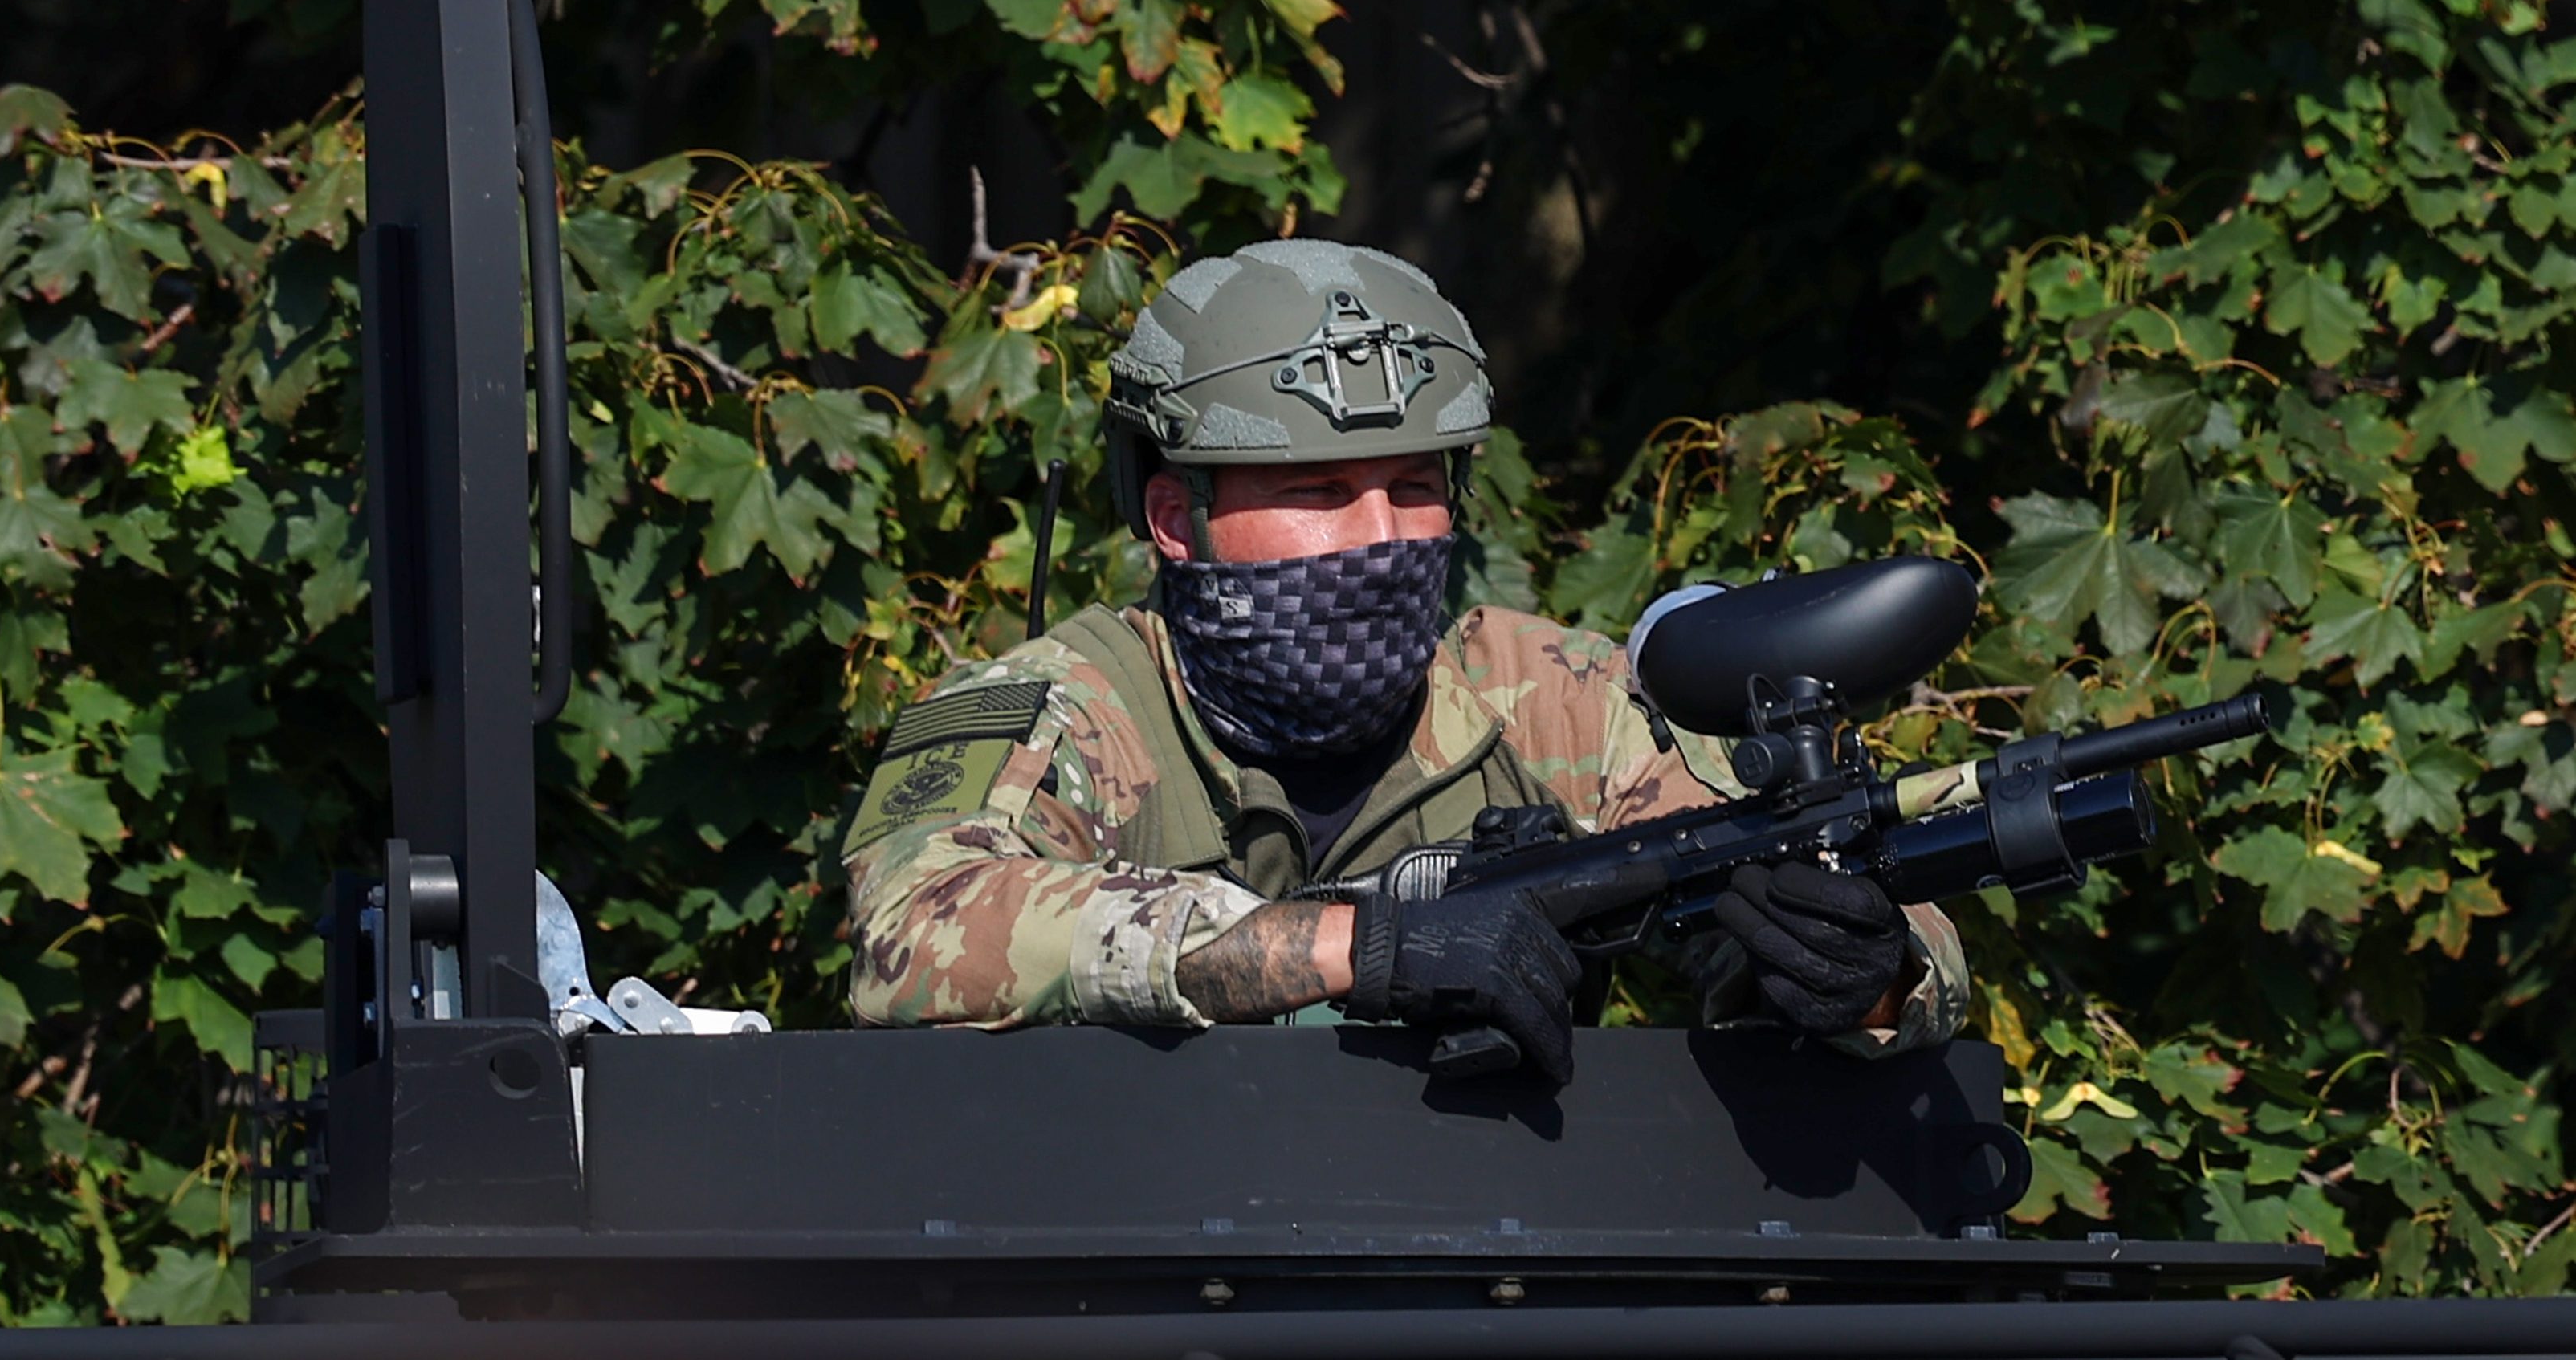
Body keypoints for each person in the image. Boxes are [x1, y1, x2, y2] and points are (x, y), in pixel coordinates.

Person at [840, 241, 1967, 1081]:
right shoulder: (1067, 706)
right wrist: (1361, 947)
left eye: (1414, 486)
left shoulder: (1549, 697)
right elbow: (917, 927)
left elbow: (1844, 895)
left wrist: (1870, 968)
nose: (1381, 535)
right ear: (1177, 518)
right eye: (1324, 493)